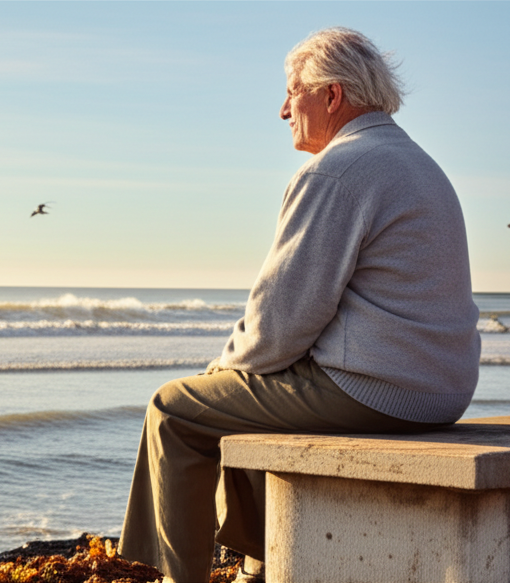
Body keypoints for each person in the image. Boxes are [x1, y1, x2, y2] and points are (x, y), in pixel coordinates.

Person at [117, 27, 481, 583]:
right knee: (245, 393)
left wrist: (220, 370)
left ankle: (182, 577)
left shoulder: (337, 170)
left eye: (292, 92)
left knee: (176, 410)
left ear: (332, 95)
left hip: (375, 391)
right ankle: (262, 565)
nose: (283, 110)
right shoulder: (418, 163)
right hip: (441, 390)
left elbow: (279, 323)